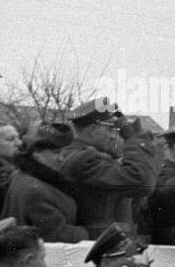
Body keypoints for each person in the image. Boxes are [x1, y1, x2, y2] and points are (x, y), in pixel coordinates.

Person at [59, 101, 160, 238]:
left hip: (109, 242)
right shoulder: (85, 161)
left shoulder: (89, 157)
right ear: (93, 130)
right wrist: (133, 139)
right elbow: (142, 181)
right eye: (109, 129)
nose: (113, 135)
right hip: (101, 245)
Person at [1, 122, 88, 244]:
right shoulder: (36, 189)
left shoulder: (25, 176)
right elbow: (57, 235)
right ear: (36, 153)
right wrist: (86, 232)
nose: (62, 158)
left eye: (65, 152)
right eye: (55, 152)